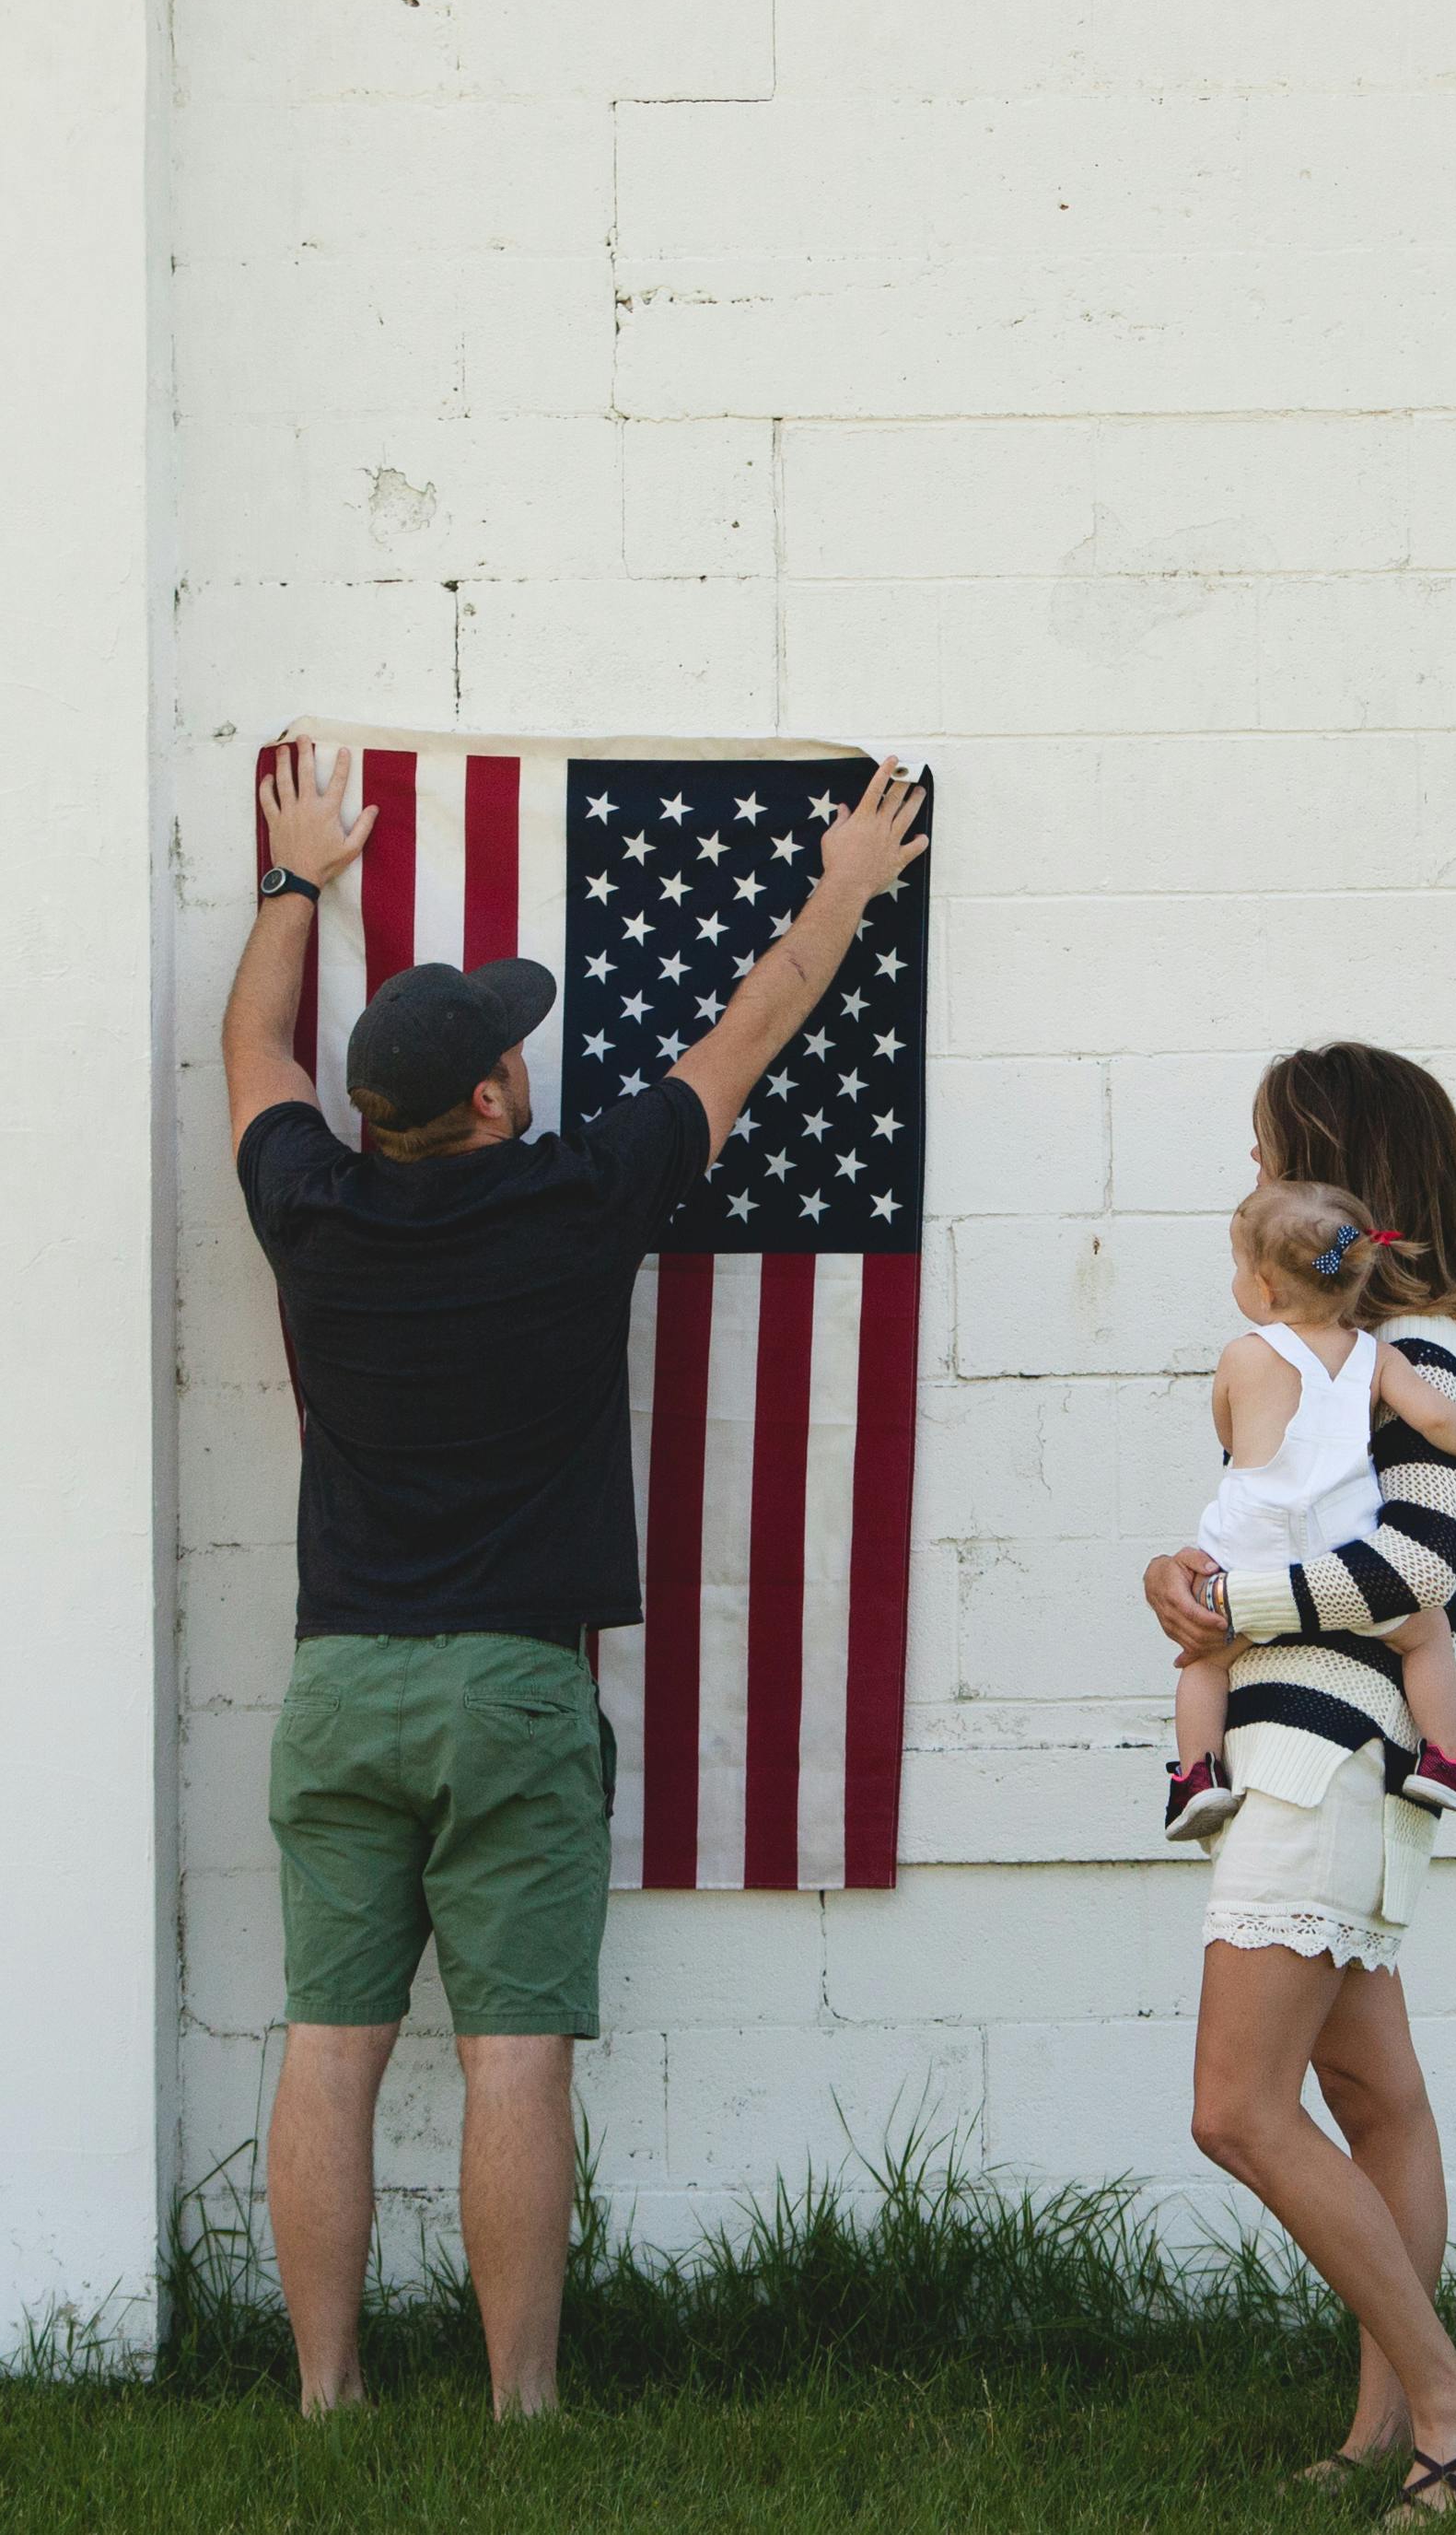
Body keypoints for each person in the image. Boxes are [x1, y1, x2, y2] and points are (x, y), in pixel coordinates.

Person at [220, 737, 926, 2417]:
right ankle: (519, 2409)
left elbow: (252, 1046)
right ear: (485, 1103)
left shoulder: (308, 1208)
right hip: (513, 1689)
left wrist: (291, 880)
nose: (528, 1063)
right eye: (510, 1054)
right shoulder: (573, 1199)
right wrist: (839, 886)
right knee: (510, 2054)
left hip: (340, 1684)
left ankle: (325, 2403)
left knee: (327, 2048)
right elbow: (750, 1029)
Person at [1144, 1044, 1456, 2517]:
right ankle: (1385, 2434)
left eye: (1264, 1157)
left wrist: (1223, 1609)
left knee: (1235, 2107)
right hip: (1324, 1755)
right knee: (1374, 2097)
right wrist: (1176, 1578)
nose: (1251, 1186)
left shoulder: (1410, 1347)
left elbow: (1421, 1565)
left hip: (1321, 1755)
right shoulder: (1337, 1356)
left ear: (1331, 1167)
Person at [1162, 1180, 1456, 1842]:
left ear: (1263, 1288)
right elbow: (1433, 1416)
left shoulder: (1242, 1355)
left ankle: (1196, 1777)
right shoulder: (1380, 1357)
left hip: (1248, 1559)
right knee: (1424, 1633)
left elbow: (1229, 1440)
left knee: (1204, 1663)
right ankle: (1448, 1758)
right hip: (1341, 1554)